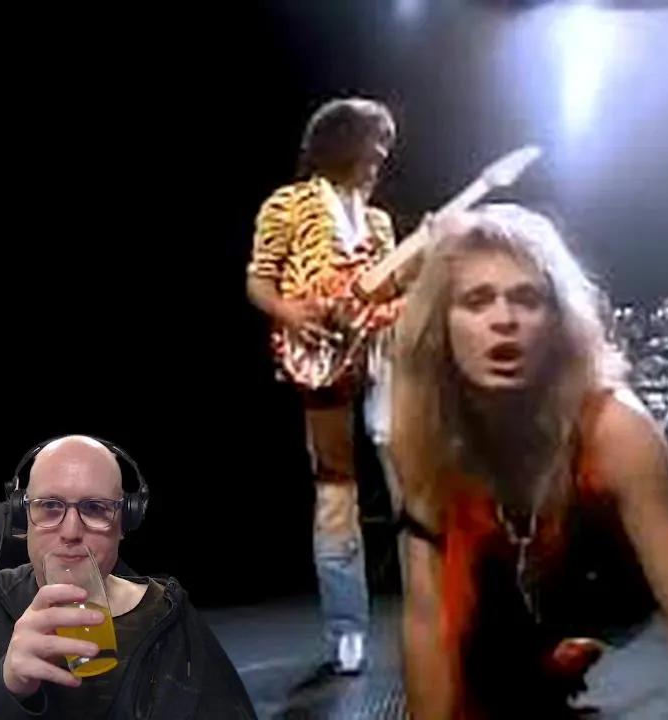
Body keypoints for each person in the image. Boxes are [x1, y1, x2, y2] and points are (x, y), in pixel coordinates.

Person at [390, 205, 668, 719]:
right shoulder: (425, 432)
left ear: (558, 322)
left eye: (527, 299)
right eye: (477, 300)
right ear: (441, 324)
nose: (504, 320)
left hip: (614, 599)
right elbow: (427, 618)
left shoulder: (618, 429)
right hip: (507, 614)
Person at [0, 436, 256, 719]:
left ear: (124, 522)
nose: (70, 531)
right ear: (23, 517)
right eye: (50, 506)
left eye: (95, 508)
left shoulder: (168, 614)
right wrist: (4, 688)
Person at [245, 96, 408, 675]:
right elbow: (259, 281)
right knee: (337, 488)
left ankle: (432, 607)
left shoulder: (380, 222)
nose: (383, 155)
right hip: (320, 360)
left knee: (408, 483)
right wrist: (291, 312)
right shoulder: (288, 204)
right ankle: (347, 629)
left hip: (383, 355)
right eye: (376, 141)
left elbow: (390, 291)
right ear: (344, 142)